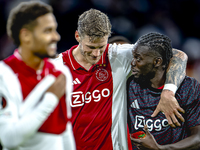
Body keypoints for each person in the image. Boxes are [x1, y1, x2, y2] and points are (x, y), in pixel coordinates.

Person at [54, 8, 188, 150]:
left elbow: (177, 56)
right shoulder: (55, 68)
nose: (96, 54)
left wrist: (168, 92)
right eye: (91, 47)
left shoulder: (117, 56)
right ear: (77, 36)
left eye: (101, 47)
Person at [0, 1, 76, 150]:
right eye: (47, 31)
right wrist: (50, 99)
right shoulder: (5, 74)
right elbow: (9, 139)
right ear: (26, 36)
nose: (56, 37)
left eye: (55, 30)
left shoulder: (61, 72)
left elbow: (64, 129)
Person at [127, 32, 200, 150]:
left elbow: (198, 138)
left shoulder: (188, 87)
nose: (132, 63)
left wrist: (161, 149)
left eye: (138, 58)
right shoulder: (130, 85)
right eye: (133, 57)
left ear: (157, 62)